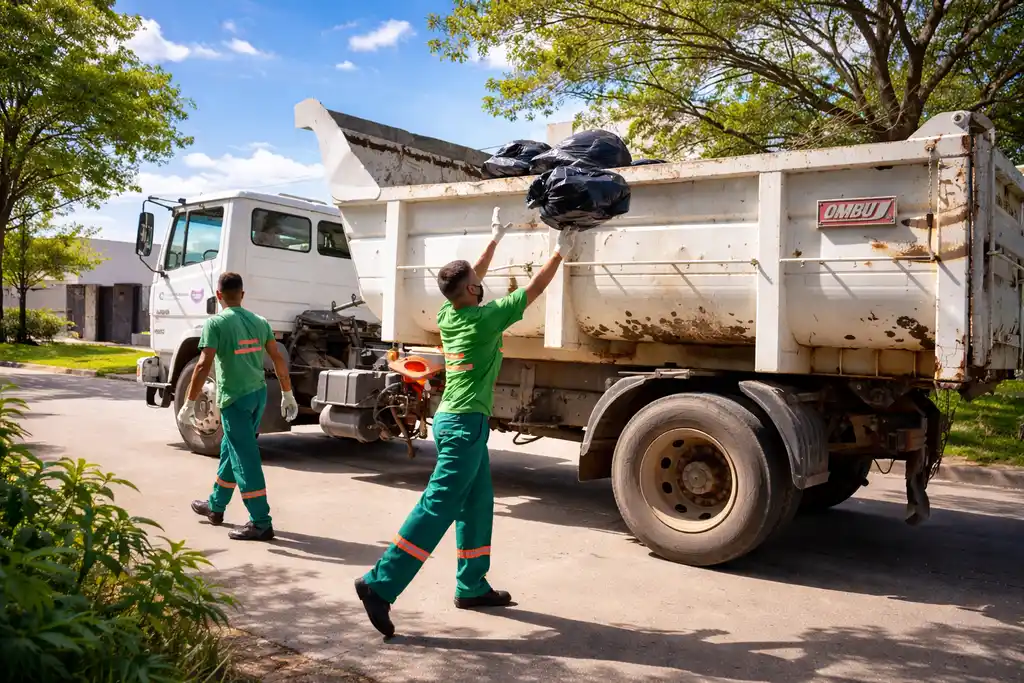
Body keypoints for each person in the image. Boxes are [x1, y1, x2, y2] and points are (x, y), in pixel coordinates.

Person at [355, 208, 576, 637]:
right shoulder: (483, 320)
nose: (480, 283)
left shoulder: (448, 315)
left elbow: (468, 279)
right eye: (477, 281)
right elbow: (531, 292)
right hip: (463, 426)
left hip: (454, 421)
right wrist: (559, 253)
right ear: (473, 289)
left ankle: (471, 585)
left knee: (476, 504)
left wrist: (493, 242)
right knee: (438, 505)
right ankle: (379, 584)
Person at [179, 271, 299, 541]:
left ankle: (261, 522)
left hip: (234, 400)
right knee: (230, 449)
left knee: (245, 458)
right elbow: (277, 358)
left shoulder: (216, 323)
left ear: (218, 295)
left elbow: (202, 365)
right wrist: (287, 393)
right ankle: (216, 505)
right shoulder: (260, 321)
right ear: (242, 295)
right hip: (258, 395)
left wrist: (189, 403)